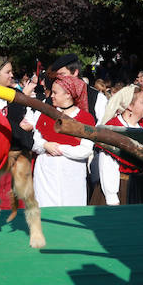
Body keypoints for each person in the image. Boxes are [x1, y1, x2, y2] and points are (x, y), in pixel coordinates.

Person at [31, 75, 95, 207]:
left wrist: (60, 148)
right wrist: (45, 145)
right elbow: (35, 140)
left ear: (68, 94)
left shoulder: (85, 118)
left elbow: (86, 149)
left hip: (72, 171)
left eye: (55, 92)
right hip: (46, 173)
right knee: (46, 210)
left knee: (72, 209)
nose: (52, 96)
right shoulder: (46, 113)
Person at [98, 85, 143, 205]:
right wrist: (112, 196)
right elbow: (106, 165)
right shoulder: (113, 128)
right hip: (123, 188)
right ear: (130, 106)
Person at [50, 53, 108, 123]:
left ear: (75, 72)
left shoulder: (98, 98)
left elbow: (102, 127)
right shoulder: (52, 98)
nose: (59, 78)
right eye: (58, 75)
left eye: (62, 74)